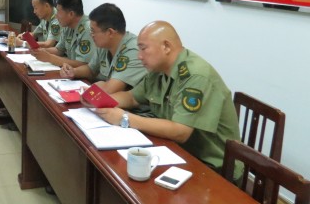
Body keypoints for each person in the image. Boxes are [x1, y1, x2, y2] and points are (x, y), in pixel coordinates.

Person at [95, 21, 242, 176]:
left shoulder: (195, 76)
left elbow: (180, 131)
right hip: (176, 150)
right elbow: (132, 97)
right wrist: (100, 101)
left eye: (143, 48)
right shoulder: (159, 69)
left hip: (211, 165)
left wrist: (124, 118)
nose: (139, 56)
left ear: (166, 46)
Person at [61, 3, 148, 96]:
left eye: (93, 31)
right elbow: (91, 70)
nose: (91, 35)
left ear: (110, 32)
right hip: (108, 99)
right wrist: (73, 72)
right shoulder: (104, 44)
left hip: (128, 104)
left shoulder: (134, 51)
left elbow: (110, 89)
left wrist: (100, 85)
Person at [31, 0, 94, 67]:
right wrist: (40, 51)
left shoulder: (88, 30)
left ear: (71, 14)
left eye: (58, 11)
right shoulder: (67, 25)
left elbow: (82, 64)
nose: (56, 16)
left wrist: (49, 58)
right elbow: (59, 50)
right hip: (70, 70)